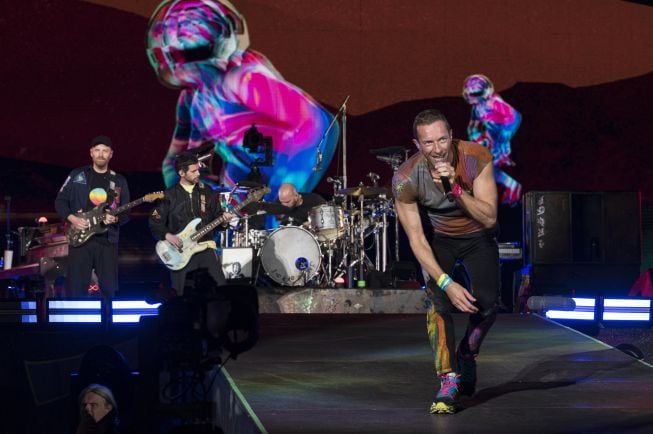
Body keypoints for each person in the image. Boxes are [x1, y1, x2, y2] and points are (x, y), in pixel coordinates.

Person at [146, 0, 339, 197]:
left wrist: (286, 185)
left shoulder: (242, 79)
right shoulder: (191, 100)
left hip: (275, 187)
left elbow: (316, 123)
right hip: (241, 194)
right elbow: (174, 162)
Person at [392, 109, 500, 414]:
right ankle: (448, 379)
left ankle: (467, 352)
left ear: (451, 135)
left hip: (479, 236)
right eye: (428, 143)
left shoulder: (476, 157)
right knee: (437, 301)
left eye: (442, 139)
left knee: (488, 304)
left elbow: (490, 219)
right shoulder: (405, 178)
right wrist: (445, 282)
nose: (437, 148)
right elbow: (416, 239)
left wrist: (455, 189)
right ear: (417, 144)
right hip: (440, 239)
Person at [55, 135, 130, 297]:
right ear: (91, 153)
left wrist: (115, 218)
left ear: (111, 154)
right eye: (97, 150)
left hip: (107, 241)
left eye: (105, 151)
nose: (101, 154)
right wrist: (73, 219)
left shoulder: (118, 180)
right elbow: (60, 201)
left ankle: (108, 321)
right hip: (80, 241)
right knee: (76, 290)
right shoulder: (77, 175)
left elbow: (126, 214)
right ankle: (76, 321)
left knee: (109, 290)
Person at [149, 152, 233, 295]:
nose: (198, 173)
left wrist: (224, 222)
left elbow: (217, 217)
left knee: (219, 291)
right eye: (193, 171)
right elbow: (154, 222)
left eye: (198, 169)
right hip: (180, 252)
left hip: (206, 248)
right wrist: (167, 235)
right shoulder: (168, 195)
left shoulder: (207, 191)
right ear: (182, 173)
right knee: (181, 295)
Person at [463, 74, 522, 206]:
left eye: (475, 93)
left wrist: (504, 138)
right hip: (489, 136)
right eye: (470, 93)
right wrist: (475, 137)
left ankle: (512, 187)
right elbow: (473, 126)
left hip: (500, 134)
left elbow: (515, 117)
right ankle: (509, 186)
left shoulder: (494, 103)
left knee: (488, 167)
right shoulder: (477, 107)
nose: (472, 97)